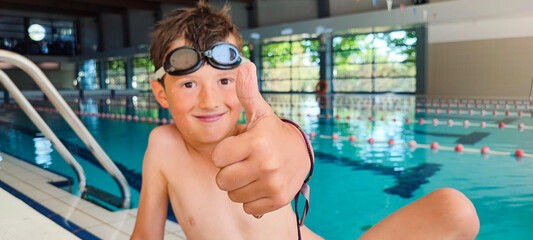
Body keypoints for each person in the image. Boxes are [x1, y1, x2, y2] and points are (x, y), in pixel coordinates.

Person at [132, 1, 480, 239]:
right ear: (161, 94)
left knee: (455, 209)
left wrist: (297, 147)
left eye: (224, 81)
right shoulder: (164, 146)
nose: (209, 101)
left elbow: (284, 142)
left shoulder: (257, 139)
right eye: (189, 84)